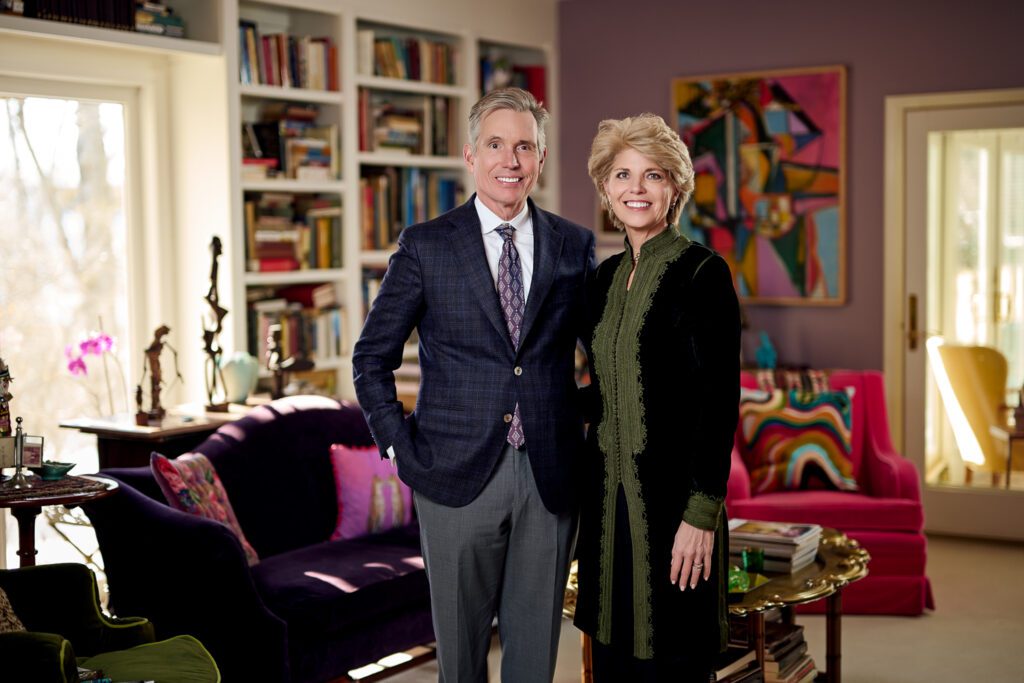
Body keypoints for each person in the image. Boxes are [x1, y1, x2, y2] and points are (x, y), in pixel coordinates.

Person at [353, 87, 596, 682]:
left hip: (550, 475)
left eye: (523, 147)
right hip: (452, 474)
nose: (509, 160)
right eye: (495, 144)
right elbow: (371, 357)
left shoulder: (573, 244)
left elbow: (604, 356)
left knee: (535, 653)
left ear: (540, 158)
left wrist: (580, 422)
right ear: (469, 154)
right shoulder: (427, 245)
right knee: (460, 660)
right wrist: (399, 449)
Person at [574, 114, 740, 682]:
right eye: (622, 175)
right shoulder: (600, 280)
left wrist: (701, 513)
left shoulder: (703, 274)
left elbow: (718, 403)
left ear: (676, 187)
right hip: (605, 507)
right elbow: (607, 390)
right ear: (605, 190)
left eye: (653, 175)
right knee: (613, 661)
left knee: (675, 659)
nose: (636, 189)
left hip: (675, 506)